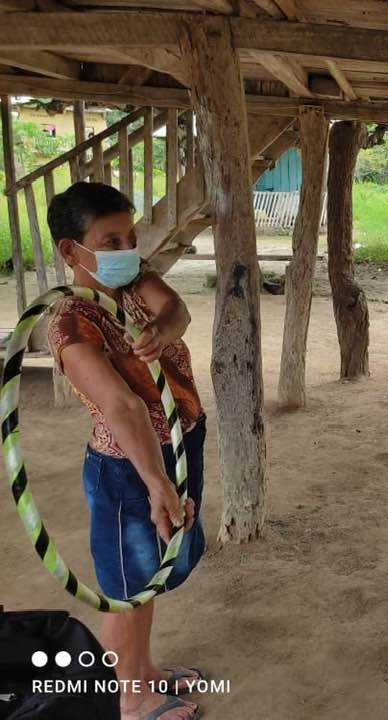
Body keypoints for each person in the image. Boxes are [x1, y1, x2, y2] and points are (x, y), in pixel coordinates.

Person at [46, 182, 206, 720]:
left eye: (130, 237)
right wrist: (158, 483)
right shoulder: (71, 323)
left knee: (151, 577)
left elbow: (178, 310)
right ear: (71, 250)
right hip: (128, 467)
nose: (127, 249)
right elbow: (122, 406)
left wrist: (161, 330)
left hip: (181, 440)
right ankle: (130, 699)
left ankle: (144, 673)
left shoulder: (134, 283)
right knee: (127, 589)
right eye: (110, 241)